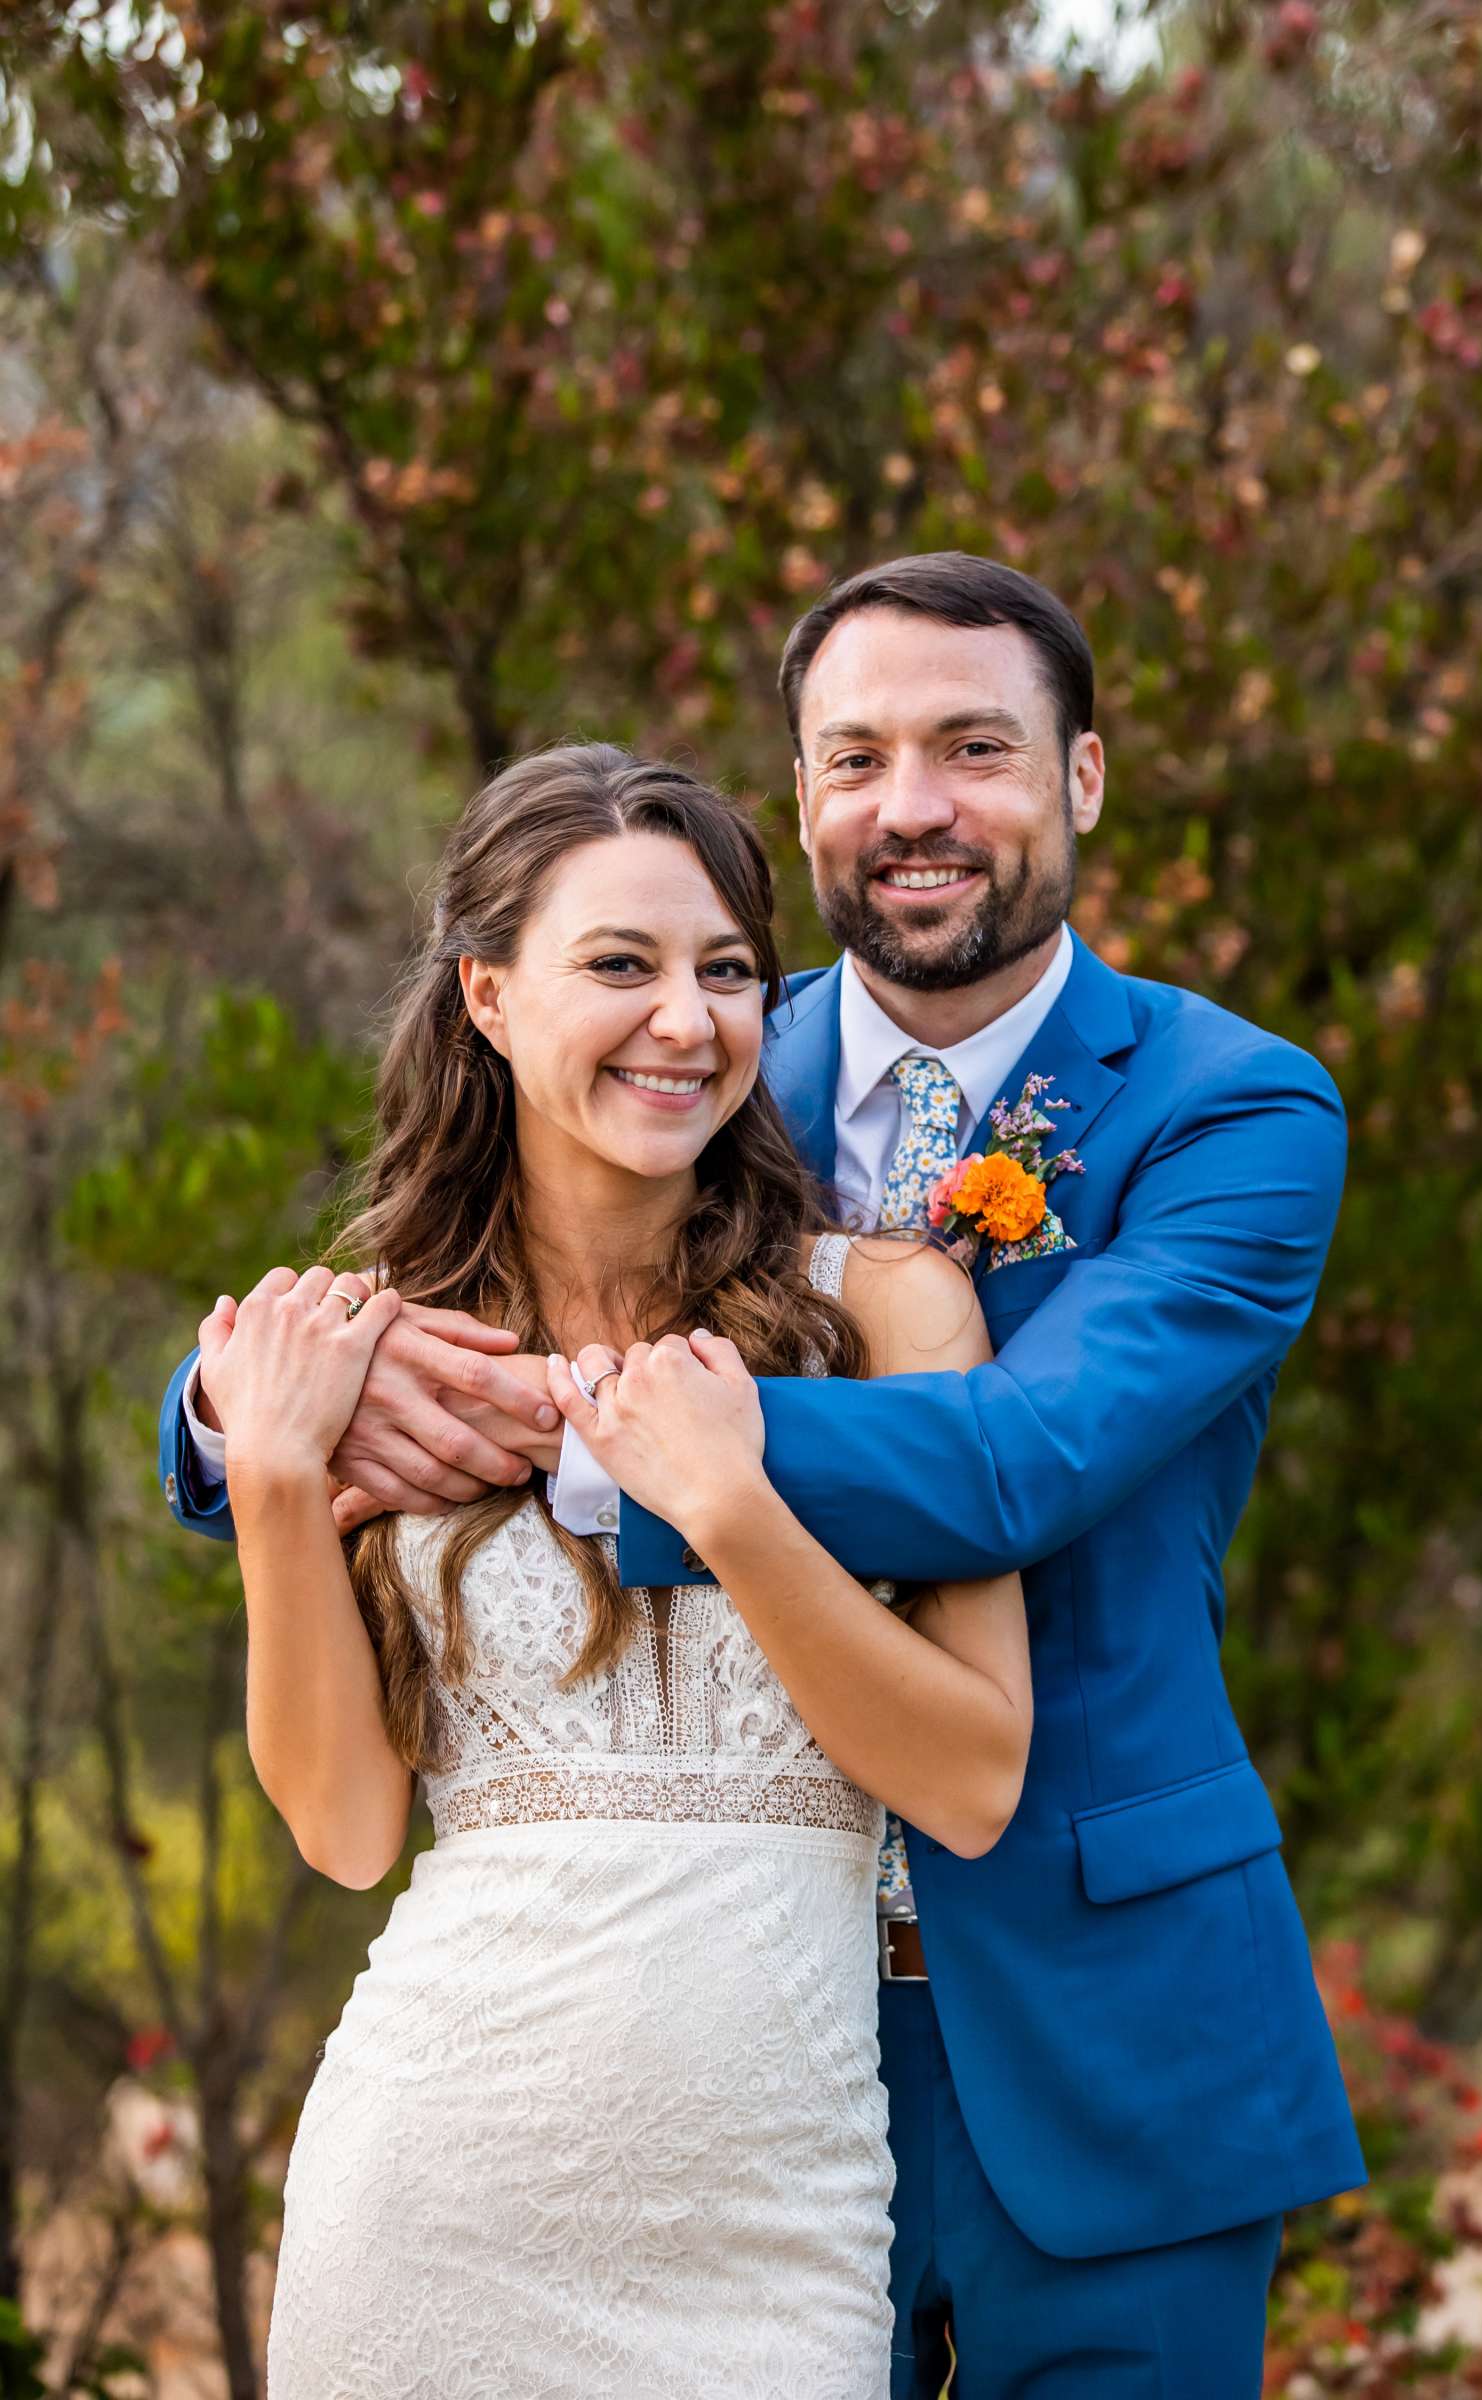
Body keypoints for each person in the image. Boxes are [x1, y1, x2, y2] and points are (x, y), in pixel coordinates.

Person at [162, 552, 1368, 2396]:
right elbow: (427, 1279)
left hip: (1101, 2014)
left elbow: (1029, 1453)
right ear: (801, 793)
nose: (915, 808)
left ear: (1084, 779)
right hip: (725, 2058)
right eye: (858, 756)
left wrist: (593, 1434)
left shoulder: (1229, 1109)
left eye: (976, 749)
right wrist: (241, 1416)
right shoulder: (689, 1057)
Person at [179, 744, 1031, 2399]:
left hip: (774, 2236)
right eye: (620, 966)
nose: (688, 1018)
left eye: (725, 970)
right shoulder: (382, 1351)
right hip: (427, 2206)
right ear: (488, 997)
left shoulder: (892, 1313)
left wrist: (736, 1510)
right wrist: (280, 1485)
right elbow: (348, 1829)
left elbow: (976, 1780)